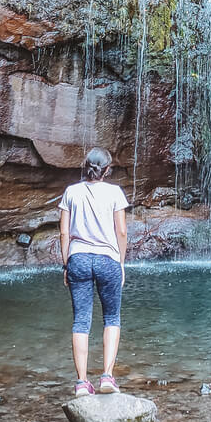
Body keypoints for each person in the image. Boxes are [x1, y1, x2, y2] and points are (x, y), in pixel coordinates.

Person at [59, 147, 129, 397]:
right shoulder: (114, 193)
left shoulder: (71, 192)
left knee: (81, 321)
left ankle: (81, 382)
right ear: (107, 170)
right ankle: (107, 377)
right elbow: (121, 231)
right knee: (112, 318)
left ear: (85, 166)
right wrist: (121, 263)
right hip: (108, 259)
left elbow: (64, 233)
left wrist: (66, 264)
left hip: (77, 258)